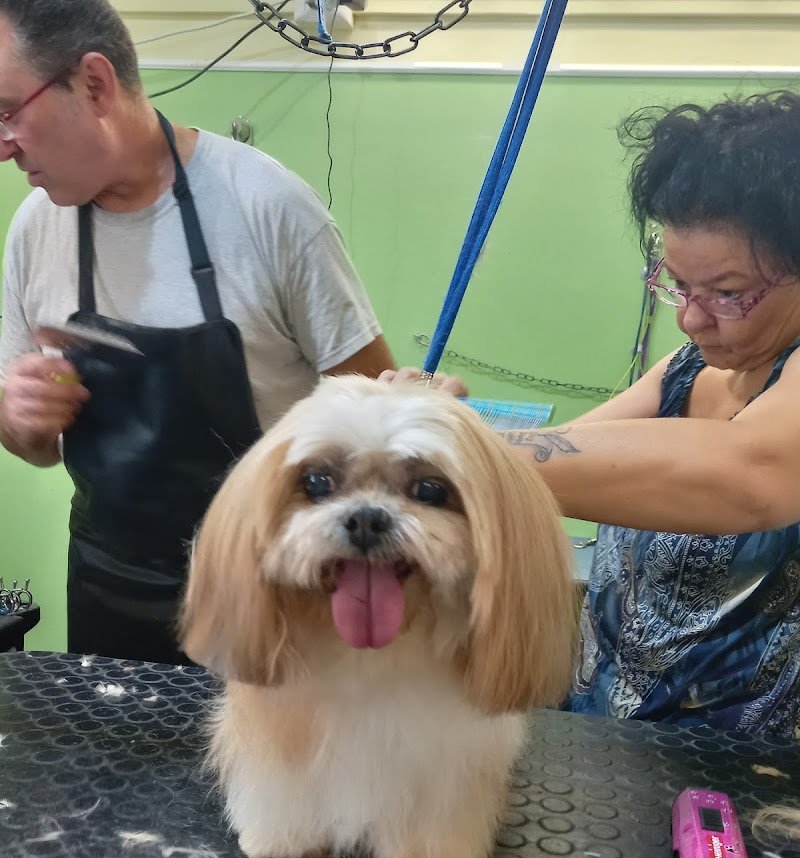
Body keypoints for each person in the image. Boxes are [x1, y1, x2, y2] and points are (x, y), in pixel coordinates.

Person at [387, 91, 800, 738]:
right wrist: (452, 429)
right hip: (606, 738)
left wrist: (444, 446)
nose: (689, 319)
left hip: (746, 783)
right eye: (677, 286)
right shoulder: (687, 371)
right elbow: (561, 457)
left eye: (727, 293)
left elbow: (747, 475)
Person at [0, 0, 401, 664]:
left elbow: (383, 411)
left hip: (266, 591)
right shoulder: (36, 228)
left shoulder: (267, 208)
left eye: (8, 110)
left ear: (95, 84)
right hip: (107, 592)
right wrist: (21, 417)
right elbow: (34, 449)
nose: (2, 142)